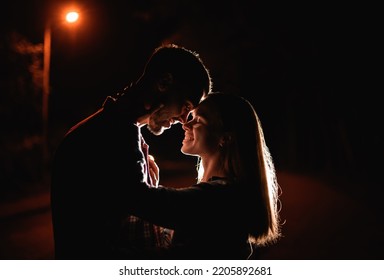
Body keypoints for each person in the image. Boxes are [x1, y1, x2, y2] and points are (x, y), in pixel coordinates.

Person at [50, 44, 212, 259]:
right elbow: (141, 202)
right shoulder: (109, 135)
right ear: (164, 83)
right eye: (185, 106)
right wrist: (213, 206)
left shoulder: (122, 132)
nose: (183, 120)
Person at [127, 92, 282, 259]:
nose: (186, 125)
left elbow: (136, 198)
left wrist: (129, 123)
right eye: (191, 116)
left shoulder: (219, 198)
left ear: (225, 138)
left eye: (198, 120)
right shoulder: (225, 193)